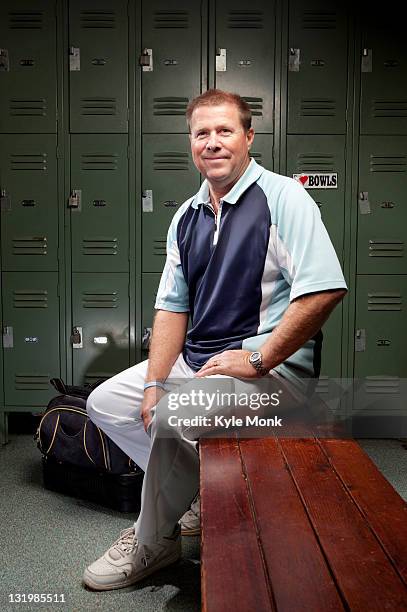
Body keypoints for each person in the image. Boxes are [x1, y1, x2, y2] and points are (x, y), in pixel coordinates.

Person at [83, 89, 347, 590]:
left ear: (248, 137)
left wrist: (260, 357)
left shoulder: (284, 198)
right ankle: (199, 495)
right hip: (202, 362)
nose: (212, 142)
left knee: (174, 418)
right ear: (190, 143)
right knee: (108, 404)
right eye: (201, 133)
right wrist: (156, 382)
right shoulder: (187, 215)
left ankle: (153, 540)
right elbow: (171, 307)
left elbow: (324, 289)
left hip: (271, 374)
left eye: (224, 131)